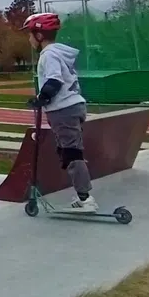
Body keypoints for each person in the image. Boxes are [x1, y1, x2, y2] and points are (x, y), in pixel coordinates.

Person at [23, 12, 96, 213]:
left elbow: (54, 80)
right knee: (67, 151)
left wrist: (42, 98)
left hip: (63, 109)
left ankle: (85, 199)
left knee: (72, 153)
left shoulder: (49, 55)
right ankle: (82, 196)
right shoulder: (59, 52)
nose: (29, 39)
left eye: (30, 34)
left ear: (39, 36)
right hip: (71, 107)